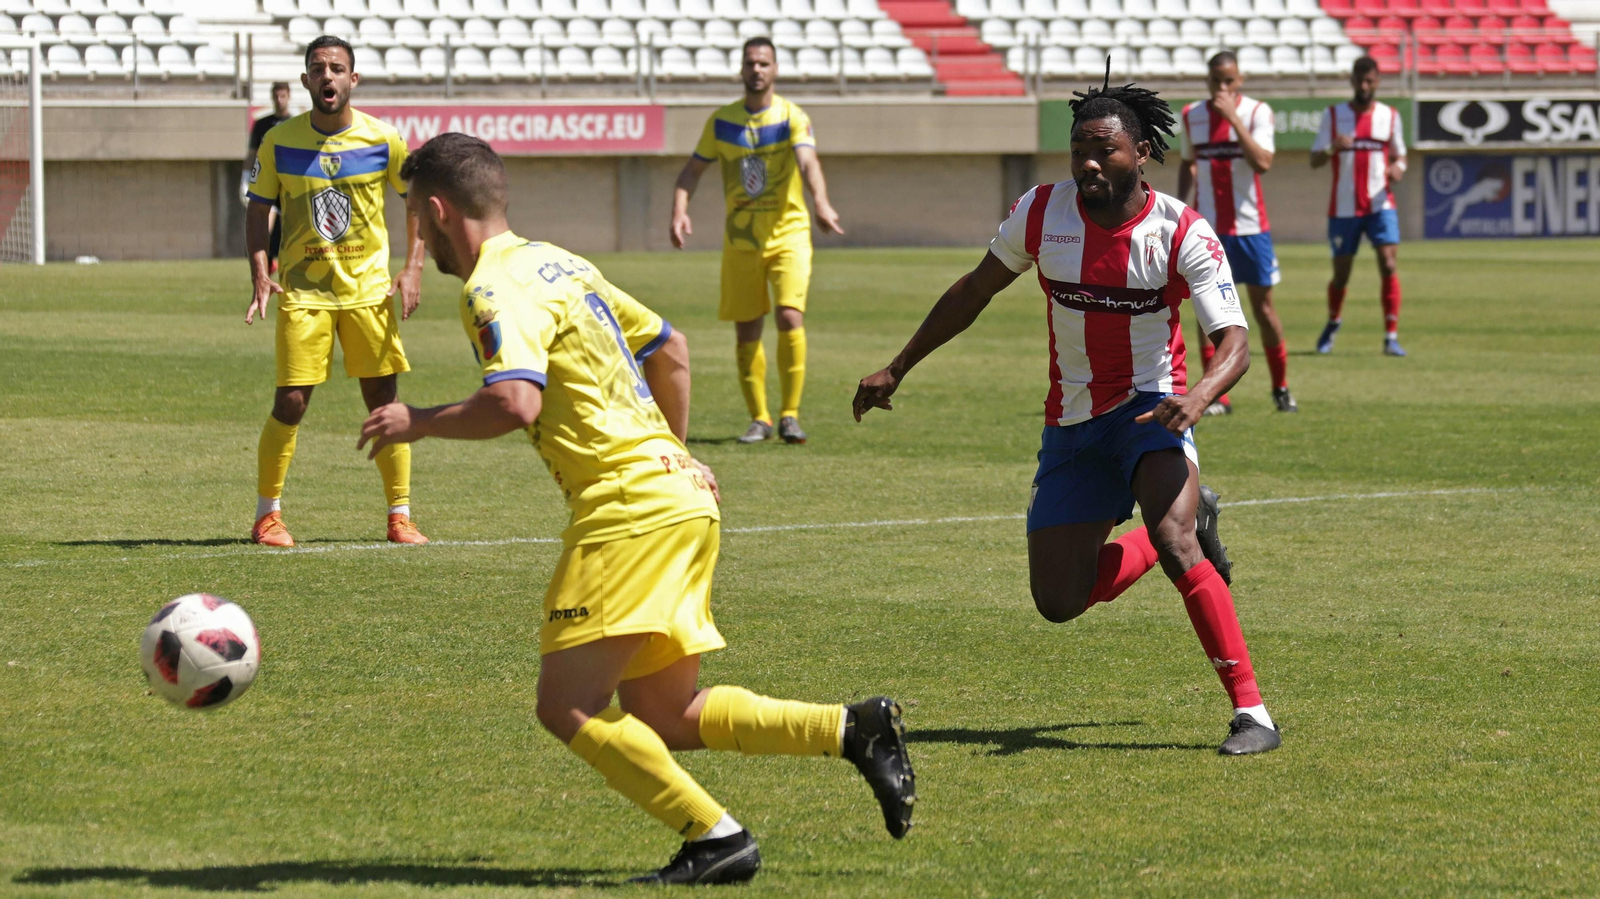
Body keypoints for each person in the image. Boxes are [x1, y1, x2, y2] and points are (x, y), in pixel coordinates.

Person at [360, 133, 915, 885]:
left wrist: (417, 419)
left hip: (626, 511)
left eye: (415, 221)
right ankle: (852, 728)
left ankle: (716, 837)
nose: (418, 237)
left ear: (434, 209)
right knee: (663, 712)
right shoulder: (560, 261)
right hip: (679, 499)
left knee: (568, 706)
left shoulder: (490, 287)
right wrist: (675, 451)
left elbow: (515, 401)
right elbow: (672, 348)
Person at [853, 68, 1281, 756]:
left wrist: (1197, 398)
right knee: (1059, 599)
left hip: (1152, 410)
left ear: (1140, 152)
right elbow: (974, 290)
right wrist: (897, 366)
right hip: (1073, 423)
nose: (1087, 161)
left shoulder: (1182, 231)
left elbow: (1234, 341)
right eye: (1079, 147)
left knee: (1176, 544)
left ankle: (1252, 711)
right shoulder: (1040, 212)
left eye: (1103, 148)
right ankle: (1191, 520)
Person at [243, 36, 428, 548]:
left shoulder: (384, 139)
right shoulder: (279, 140)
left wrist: (412, 268)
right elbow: (258, 209)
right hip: (304, 292)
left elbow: (415, 202)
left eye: (337, 68)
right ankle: (267, 516)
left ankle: (400, 515)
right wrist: (260, 271)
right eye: (318, 69)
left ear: (353, 79)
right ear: (305, 81)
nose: (328, 76)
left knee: (384, 399)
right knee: (292, 402)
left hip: (369, 293)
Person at [669, 37, 843, 445]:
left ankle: (790, 415)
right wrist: (679, 210)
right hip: (741, 241)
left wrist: (821, 202)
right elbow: (690, 173)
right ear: (742, 69)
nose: (757, 70)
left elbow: (807, 161)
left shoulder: (791, 117)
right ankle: (760, 418)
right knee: (747, 329)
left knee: (788, 316)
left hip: (789, 235)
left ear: (776, 69)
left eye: (764, 63)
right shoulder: (722, 121)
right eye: (751, 63)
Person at [1177, 52, 1296, 414]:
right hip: (1207, 231)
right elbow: (1186, 164)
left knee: (1263, 309)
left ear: (1240, 80)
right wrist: (1177, 212)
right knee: (1206, 312)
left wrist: (1231, 118)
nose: (1222, 87)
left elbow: (1263, 162)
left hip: (1250, 229)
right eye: (1216, 80)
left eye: (1229, 80)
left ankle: (1280, 388)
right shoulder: (1191, 115)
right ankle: (1218, 397)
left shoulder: (1257, 112)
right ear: (1208, 80)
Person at [1310, 56, 1409, 357]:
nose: (1364, 86)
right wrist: (1332, 147)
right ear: (1352, 81)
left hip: (1381, 204)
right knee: (1342, 274)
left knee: (1389, 264)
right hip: (1344, 208)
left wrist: (1399, 168)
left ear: (1377, 82)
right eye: (1360, 81)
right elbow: (1314, 159)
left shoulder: (1389, 116)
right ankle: (1333, 321)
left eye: (1370, 81)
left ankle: (1391, 335)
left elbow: (1401, 156)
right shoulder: (1334, 115)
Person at [243, 82, 292, 273]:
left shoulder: (295, 124)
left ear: (289, 97)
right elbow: (252, 153)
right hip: (269, 183)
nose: (280, 100)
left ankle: (290, 264)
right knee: (265, 226)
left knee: (291, 229)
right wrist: (245, 178)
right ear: (272, 98)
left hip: (288, 183)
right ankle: (265, 265)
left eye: (283, 96)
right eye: (276, 97)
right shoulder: (262, 124)